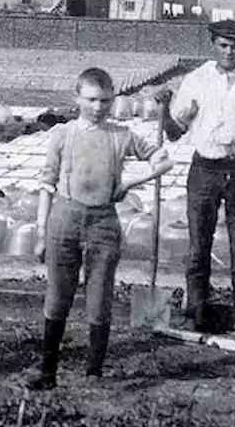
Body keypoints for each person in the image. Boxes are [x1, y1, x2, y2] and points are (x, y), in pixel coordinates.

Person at [27, 68, 172, 390]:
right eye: (91, 99)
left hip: (104, 220)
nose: (98, 106)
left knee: (99, 295)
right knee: (57, 295)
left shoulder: (120, 135)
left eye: (106, 100)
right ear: (77, 98)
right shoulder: (62, 135)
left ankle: (94, 372)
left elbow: (163, 161)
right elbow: (46, 183)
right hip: (64, 216)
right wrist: (40, 232)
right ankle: (47, 371)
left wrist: (130, 182)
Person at [155, 19, 235, 337]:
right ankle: (196, 314)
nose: (229, 51)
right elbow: (173, 133)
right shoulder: (196, 81)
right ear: (213, 45)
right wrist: (166, 108)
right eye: (223, 45)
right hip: (204, 172)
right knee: (198, 249)